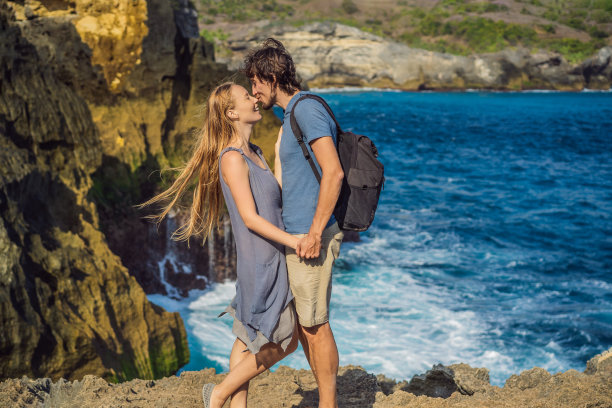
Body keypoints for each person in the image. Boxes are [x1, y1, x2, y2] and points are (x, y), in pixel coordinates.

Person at [139, 82, 299, 408]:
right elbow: (251, 218)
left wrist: (281, 156)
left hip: (269, 256)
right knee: (286, 341)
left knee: (246, 338)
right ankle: (219, 394)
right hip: (262, 261)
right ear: (231, 113)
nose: (255, 99)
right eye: (247, 97)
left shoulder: (255, 153)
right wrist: (294, 241)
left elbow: (275, 199)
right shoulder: (231, 157)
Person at [244, 39, 345, 408]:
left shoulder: (305, 110)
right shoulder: (288, 116)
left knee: (315, 326)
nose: (253, 92)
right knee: (306, 326)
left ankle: (329, 404)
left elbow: (333, 173)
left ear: (272, 77)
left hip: (309, 234)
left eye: (256, 83)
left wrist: (316, 233)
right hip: (297, 234)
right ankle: (326, 398)